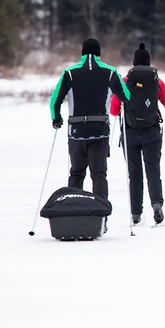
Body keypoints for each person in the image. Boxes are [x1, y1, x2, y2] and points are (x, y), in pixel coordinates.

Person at [50, 38, 131, 233]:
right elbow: (126, 96)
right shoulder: (110, 72)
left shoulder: (69, 72)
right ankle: (101, 220)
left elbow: (55, 99)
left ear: (82, 52)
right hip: (100, 131)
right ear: (99, 53)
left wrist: (57, 119)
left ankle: (72, 215)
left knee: (77, 173)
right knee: (99, 174)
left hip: (76, 133)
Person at [110, 43, 165, 225]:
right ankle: (157, 206)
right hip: (152, 133)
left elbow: (114, 109)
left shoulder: (124, 81)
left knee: (134, 174)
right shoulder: (156, 81)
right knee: (153, 171)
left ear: (134, 62)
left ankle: (136, 214)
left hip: (129, 133)